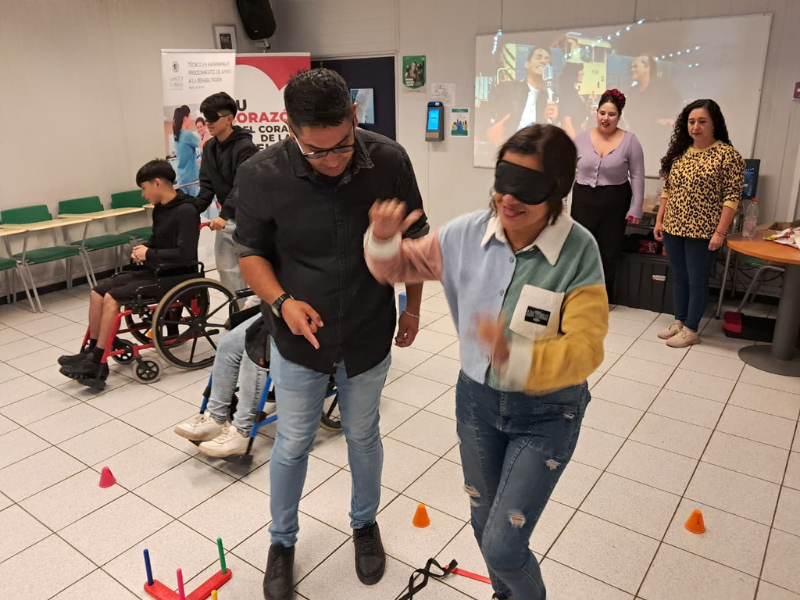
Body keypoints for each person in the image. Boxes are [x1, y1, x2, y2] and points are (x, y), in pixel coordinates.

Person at [364, 124, 608, 600]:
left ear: (557, 191)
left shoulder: (579, 252)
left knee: (503, 545)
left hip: (547, 414)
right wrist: (383, 239)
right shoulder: (465, 234)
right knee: (483, 521)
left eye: (527, 187)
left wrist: (516, 357)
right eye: (503, 181)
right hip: (476, 405)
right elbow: (397, 267)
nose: (509, 198)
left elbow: (587, 349)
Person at [233, 68, 429, 600]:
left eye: (342, 144)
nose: (334, 158)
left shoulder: (389, 161)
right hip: (299, 338)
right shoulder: (261, 174)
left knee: (363, 435)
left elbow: (414, 242)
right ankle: (281, 542)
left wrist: (412, 310)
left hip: (367, 329)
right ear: (290, 129)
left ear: (354, 117)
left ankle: (364, 524)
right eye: (316, 150)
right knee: (293, 442)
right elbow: (250, 253)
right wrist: (282, 302)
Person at [58, 160, 200, 387]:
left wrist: (149, 253)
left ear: (156, 183)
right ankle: (92, 351)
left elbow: (185, 253)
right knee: (97, 292)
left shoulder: (187, 211)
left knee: (112, 298)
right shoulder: (161, 209)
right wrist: (143, 249)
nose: (143, 194)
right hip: (155, 269)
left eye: (144, 188)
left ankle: (98, 363)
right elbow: (157, 240)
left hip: (176, 275)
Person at [655, 99, 744, 348]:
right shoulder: (680, 153)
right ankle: (680, 321)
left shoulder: (728, 156)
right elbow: (668, 190)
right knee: (680, 277)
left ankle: (692, 329)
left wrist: (720, 232)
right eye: (691, 121)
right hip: (673, 227)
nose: (696, 127)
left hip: (703, 232)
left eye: (702, 121)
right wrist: (660, 220)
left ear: (714, 124)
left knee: (697, 280)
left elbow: (732, 198)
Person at [571, 89, 645, 300]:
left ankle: (601, 298)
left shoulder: (630, 141)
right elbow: (566, 170)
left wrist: (636, 207)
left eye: (611, 114)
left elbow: (637, 175)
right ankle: (578, 296)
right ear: (596, 113)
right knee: (581, 248)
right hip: (584, 199)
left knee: (608, 251)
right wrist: (562, 200)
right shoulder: (581, 138)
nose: (606, 118)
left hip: (616, 200)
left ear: (619, 116)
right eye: (602, 113)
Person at [174, 295, 266, 458]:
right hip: (272, 310)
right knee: (227, 344)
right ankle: (215, 419)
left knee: (254, 353)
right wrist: (250, 305)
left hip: (303, 314)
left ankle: (242, 431)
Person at [193, 92, 259, 295]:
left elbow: (242, 186)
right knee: (226, 271)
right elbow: (206, 185)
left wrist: (223, 215)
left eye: (213, 118)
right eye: (206, 118)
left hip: (251, 219)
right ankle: (239, 312)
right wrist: (191, 210)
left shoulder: (246, 148)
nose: (208, 123)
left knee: (254, 273)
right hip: (227, 218)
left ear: (229, 118)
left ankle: (256, 312)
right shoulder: (209, 148)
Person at [483, 46, 559, 146]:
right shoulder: (506, 89)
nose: (543, 61)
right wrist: (489, 132)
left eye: (547, 60)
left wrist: (550, 121)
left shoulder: (548, 98)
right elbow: (484, 118)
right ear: (527, 64)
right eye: (538, 57)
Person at [172, 105, 200, 197]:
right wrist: (207, 134)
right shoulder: (187, 134)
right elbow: (203, 145)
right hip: (191, 180)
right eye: (189, 116)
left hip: (181, 180)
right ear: (185, 118)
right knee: (195, 204)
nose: (190, 119)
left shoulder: (176, 135)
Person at [557, 62, 588, 138]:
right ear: (574, 74)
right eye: (581, 71)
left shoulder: (572, 92)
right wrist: (576, 143)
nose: (583, 74)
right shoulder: (569, 94)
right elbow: (567, 123)